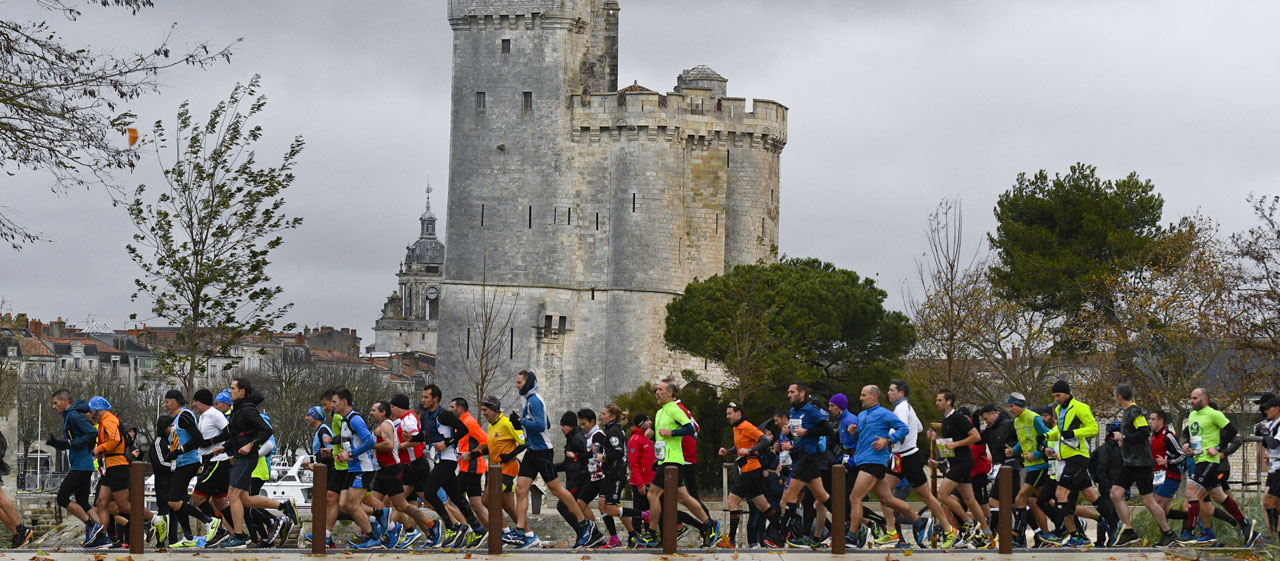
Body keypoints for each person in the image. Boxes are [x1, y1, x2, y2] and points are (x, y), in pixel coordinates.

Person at [512, 370, 595, 549]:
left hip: (542, 451)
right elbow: (548, 424)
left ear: (527, 383)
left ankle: (583, 523)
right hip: (532, 451)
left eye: (519, 382)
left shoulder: (534, 400)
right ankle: (521, 531)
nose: (517, 385)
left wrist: (521, 423)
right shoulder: (531, 400)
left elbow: (541, 426)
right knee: (520, 489)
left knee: (556, 489)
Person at [638, 381, 720, 548]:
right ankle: (709, 526)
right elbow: (664, 440)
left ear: (671, 394)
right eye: (656, 390)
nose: (657, 392)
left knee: (652, 495)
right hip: (665, 460)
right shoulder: (661, 412)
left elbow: (691, 429)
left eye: (660, 389)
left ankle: (652, 534)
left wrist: (672, 432)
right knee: (684, 498)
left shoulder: (674, 409)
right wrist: (654, 438)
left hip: (672, 461)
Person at [1039, 380, 1119, 548]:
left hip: (1078, 457)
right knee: (1090, 495)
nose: (1056, 399)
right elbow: (1059, 433)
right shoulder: (1060, 410)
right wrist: (1046, 437)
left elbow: (1093, 429)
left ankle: (1058, 534)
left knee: (1061, 494)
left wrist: (1073, 433)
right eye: (1054, 396)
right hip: (1068, 459)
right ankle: (1113, 524)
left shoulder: (1080, 407)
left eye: (1058, 395)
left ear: (1067, 393)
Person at [1177, 388, 1258, 547]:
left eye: (1194, 398)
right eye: (1191, 398)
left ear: (1204, 400)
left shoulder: (1214, 414)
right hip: (1199, 459)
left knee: (1190, 493)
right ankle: (1246, 525)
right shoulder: (1192, 415)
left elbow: (1232, 432)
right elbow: (1196, 438)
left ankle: (1190, 531)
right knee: (1219, 496)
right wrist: (1189, 449)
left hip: (1210, 461)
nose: (1191, 401)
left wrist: (1219, 448)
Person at [877, 380, 954, 548]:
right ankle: (892, 532)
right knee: (883, 493)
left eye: (891, 390)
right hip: (899, 457)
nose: (888, 393)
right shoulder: (905, 407)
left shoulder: (902, 408)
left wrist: (887, 437)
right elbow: (918, 427)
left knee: (926, 496)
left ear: (901, 392)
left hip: (909, 457)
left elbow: (902, 428)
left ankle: (949, 530)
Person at [85, 395, 167, 550]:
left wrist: (98, 449)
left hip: (118, 466)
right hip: (111, 467)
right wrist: (102, 455)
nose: (89, 415)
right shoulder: (106, 421)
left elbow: (115, 440)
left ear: (98, 410)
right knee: (101, 503)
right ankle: (102, 538)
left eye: (91, 411)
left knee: (124, 505)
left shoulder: (109, 420)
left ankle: (157, 520)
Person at [421, 385, 488, 549]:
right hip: (439, 460)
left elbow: (463, 430)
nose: (423, 400)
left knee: (429, 493)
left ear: (435, 399)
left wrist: (446, 443)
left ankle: (453, 526)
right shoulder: (426, 416)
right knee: (457, 497)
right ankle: (478, 529)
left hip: (448, 460)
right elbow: (423, 435)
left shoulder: (444, 414)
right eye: (423, 397)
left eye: (426, 397)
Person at [1107, 385, 1175, 546]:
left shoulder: (1134, 411)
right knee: (1115, 494)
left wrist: (1123, 436)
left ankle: (1168, 533)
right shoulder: (1126, 413)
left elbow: (1144, 432)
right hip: (1129, 462)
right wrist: (1124, 440)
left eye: (1114, 396)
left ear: (1120, 397)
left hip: (1141, 463)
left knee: (1148, 500)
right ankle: (1128, 531)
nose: (1114, 399)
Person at [846, 385, 913, 549]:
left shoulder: (884, 413)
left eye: (864, 395)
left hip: (874, 461)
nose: (860, 398)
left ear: (874, 396)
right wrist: (853, 433)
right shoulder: (862, 415)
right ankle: (920, 521)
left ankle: (851, 537)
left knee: (855, 498)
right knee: (887, 499)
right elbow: (863, 439)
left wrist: (887, 440)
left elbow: (903, 429)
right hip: (863, 460)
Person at [157, 389, 221, 548]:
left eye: (167, 402)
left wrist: (178, 451)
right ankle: (188, 536)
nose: (165, 405)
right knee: (178, 501)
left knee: (172, 501)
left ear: (176, 402)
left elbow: (198, 439)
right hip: (181, 463)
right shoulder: (178, 417)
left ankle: (209, 521)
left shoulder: (184, 415)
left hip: (189, 463)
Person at [927, 389, 989, 547]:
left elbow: (976, 436)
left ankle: (968, 522)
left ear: (948, 401)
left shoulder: (958, 418)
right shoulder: (946, 420)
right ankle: (987, 533)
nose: (936, 403)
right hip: (956, 462)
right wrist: (937, 439)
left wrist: (956, 444)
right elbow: (949, 446)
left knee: (942, 495)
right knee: (969, 499)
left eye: (939, 400)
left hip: (963, 462)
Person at [776, 382, 831, 548]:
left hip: (808, 457)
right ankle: (845, 522)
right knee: (822, 497)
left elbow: (828, 430)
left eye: (792, 391)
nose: (789, 394)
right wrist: (790, 436)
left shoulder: (811, 410)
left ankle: (780, 537)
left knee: (788, 496)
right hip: (800, 455)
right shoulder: (793, 411)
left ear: (802, 393)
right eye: (788, 391)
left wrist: (807, 432)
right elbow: (797, 435)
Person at [579, 405, 636, 548]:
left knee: (612, 508)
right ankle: (614, 538)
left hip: (613, 474)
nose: (602, 416)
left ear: (612, 416)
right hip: (608, 473)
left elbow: (618, 452)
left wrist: (602, 457)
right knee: (604, 506)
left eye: (604, 414)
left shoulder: (611, 431)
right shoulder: (610, 430)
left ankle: (642, 519)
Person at [46, 389, 95, 546]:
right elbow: (71, 443)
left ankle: (93, 526)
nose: (53, 407)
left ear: (64, 401)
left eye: (55, 403)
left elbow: (92, 433)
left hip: (82, 465)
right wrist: (56, 443)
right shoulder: (69, 416)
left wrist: (72, 443)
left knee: (62, 498)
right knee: (83, 502)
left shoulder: (73, 416)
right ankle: (102, 536)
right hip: (82, 464)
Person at [477, 395, 523, 546]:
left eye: (485, 410)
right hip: (493, 470)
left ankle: (506, 533)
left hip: (506, 470)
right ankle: (527, 534)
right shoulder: (491, 426)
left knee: (487, 499)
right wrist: (475, 453)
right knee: (508, 504)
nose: (483, 413)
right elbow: (492, 449)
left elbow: (523, 441)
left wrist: (510, 455)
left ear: (494, 410)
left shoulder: (506, 423)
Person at [1005, 393, 1049, 548]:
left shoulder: (1034, 418)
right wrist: (1014, 451)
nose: (1010, 410)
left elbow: (1047, 438)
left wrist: (1036, 454)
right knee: (1042, 502)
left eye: (1012, 406)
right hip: (1029, 466)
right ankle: (1048, 536)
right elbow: (1022, 441)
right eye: (1009, 407)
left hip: (1040, 465)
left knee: (1020, 498)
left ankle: (1018, 534)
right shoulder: (1017, 421)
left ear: (1020, 404)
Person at [452, 397, 491, 543]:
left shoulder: (468, 422)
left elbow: (485, 441)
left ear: (460, 408)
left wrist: (471, 454)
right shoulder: (461, 423)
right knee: (476, 504)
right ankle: (498, 535)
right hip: (470, 468)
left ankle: (471, 529)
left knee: (451, 498)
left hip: (471, 467)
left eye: (452, 407)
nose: (450, 410)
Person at [979, 404, 1016, 549]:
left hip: (1011, 466)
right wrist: (976, 421)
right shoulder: (990, 430)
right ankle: (1011, 533)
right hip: (999, 467)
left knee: (995, 500)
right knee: (1017, 503)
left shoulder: (1008, 425)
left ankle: (996, 534)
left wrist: (1014, 452)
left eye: (986, 418)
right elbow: (978, 439)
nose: (986, 421)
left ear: (994, 413)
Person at [627, 413, 655, 546]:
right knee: (638, 512)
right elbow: (634, 465)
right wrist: (640, 484)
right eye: (647, 420)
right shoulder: (635, 440)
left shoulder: (648, 439)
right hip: (640, 483)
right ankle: (634, 539)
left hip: (652, 481)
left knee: (651, 512)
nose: (650, 422)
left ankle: (650, 537)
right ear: (641, 424)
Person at [1257, 397, 1280, 535]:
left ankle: (1272, 536)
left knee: (1268, 502)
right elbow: (1266, 443)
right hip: (1273, 467)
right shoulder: (1273, 424)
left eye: (1268, 408)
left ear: (1277, 408)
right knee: (1275, 505)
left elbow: (1273, 444)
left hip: (1279, 468)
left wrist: (1265, 432)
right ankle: (1275, 535)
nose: (1266, 411)